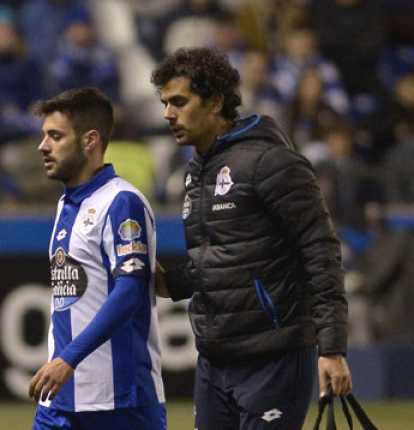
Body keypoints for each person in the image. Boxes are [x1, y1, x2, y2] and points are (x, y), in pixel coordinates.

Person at [149, 47, 353, 429]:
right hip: (214, 357)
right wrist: (168, 283)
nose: (167, 114)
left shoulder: (271, 163)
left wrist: (333, 348)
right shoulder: (195, 172)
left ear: (215, 102)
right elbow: (224, 259)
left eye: (179, 101)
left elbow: (321, 252)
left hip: (273, 356)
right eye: (164, 103)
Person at [27, 87, 165, 429]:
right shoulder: (65, 204)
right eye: (44, 136)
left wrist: (68, 359)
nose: (43, 146)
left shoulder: (121, 202)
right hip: (61, 397)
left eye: (55, 136)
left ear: (90, 140)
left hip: (118, 398)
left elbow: (130, 291)